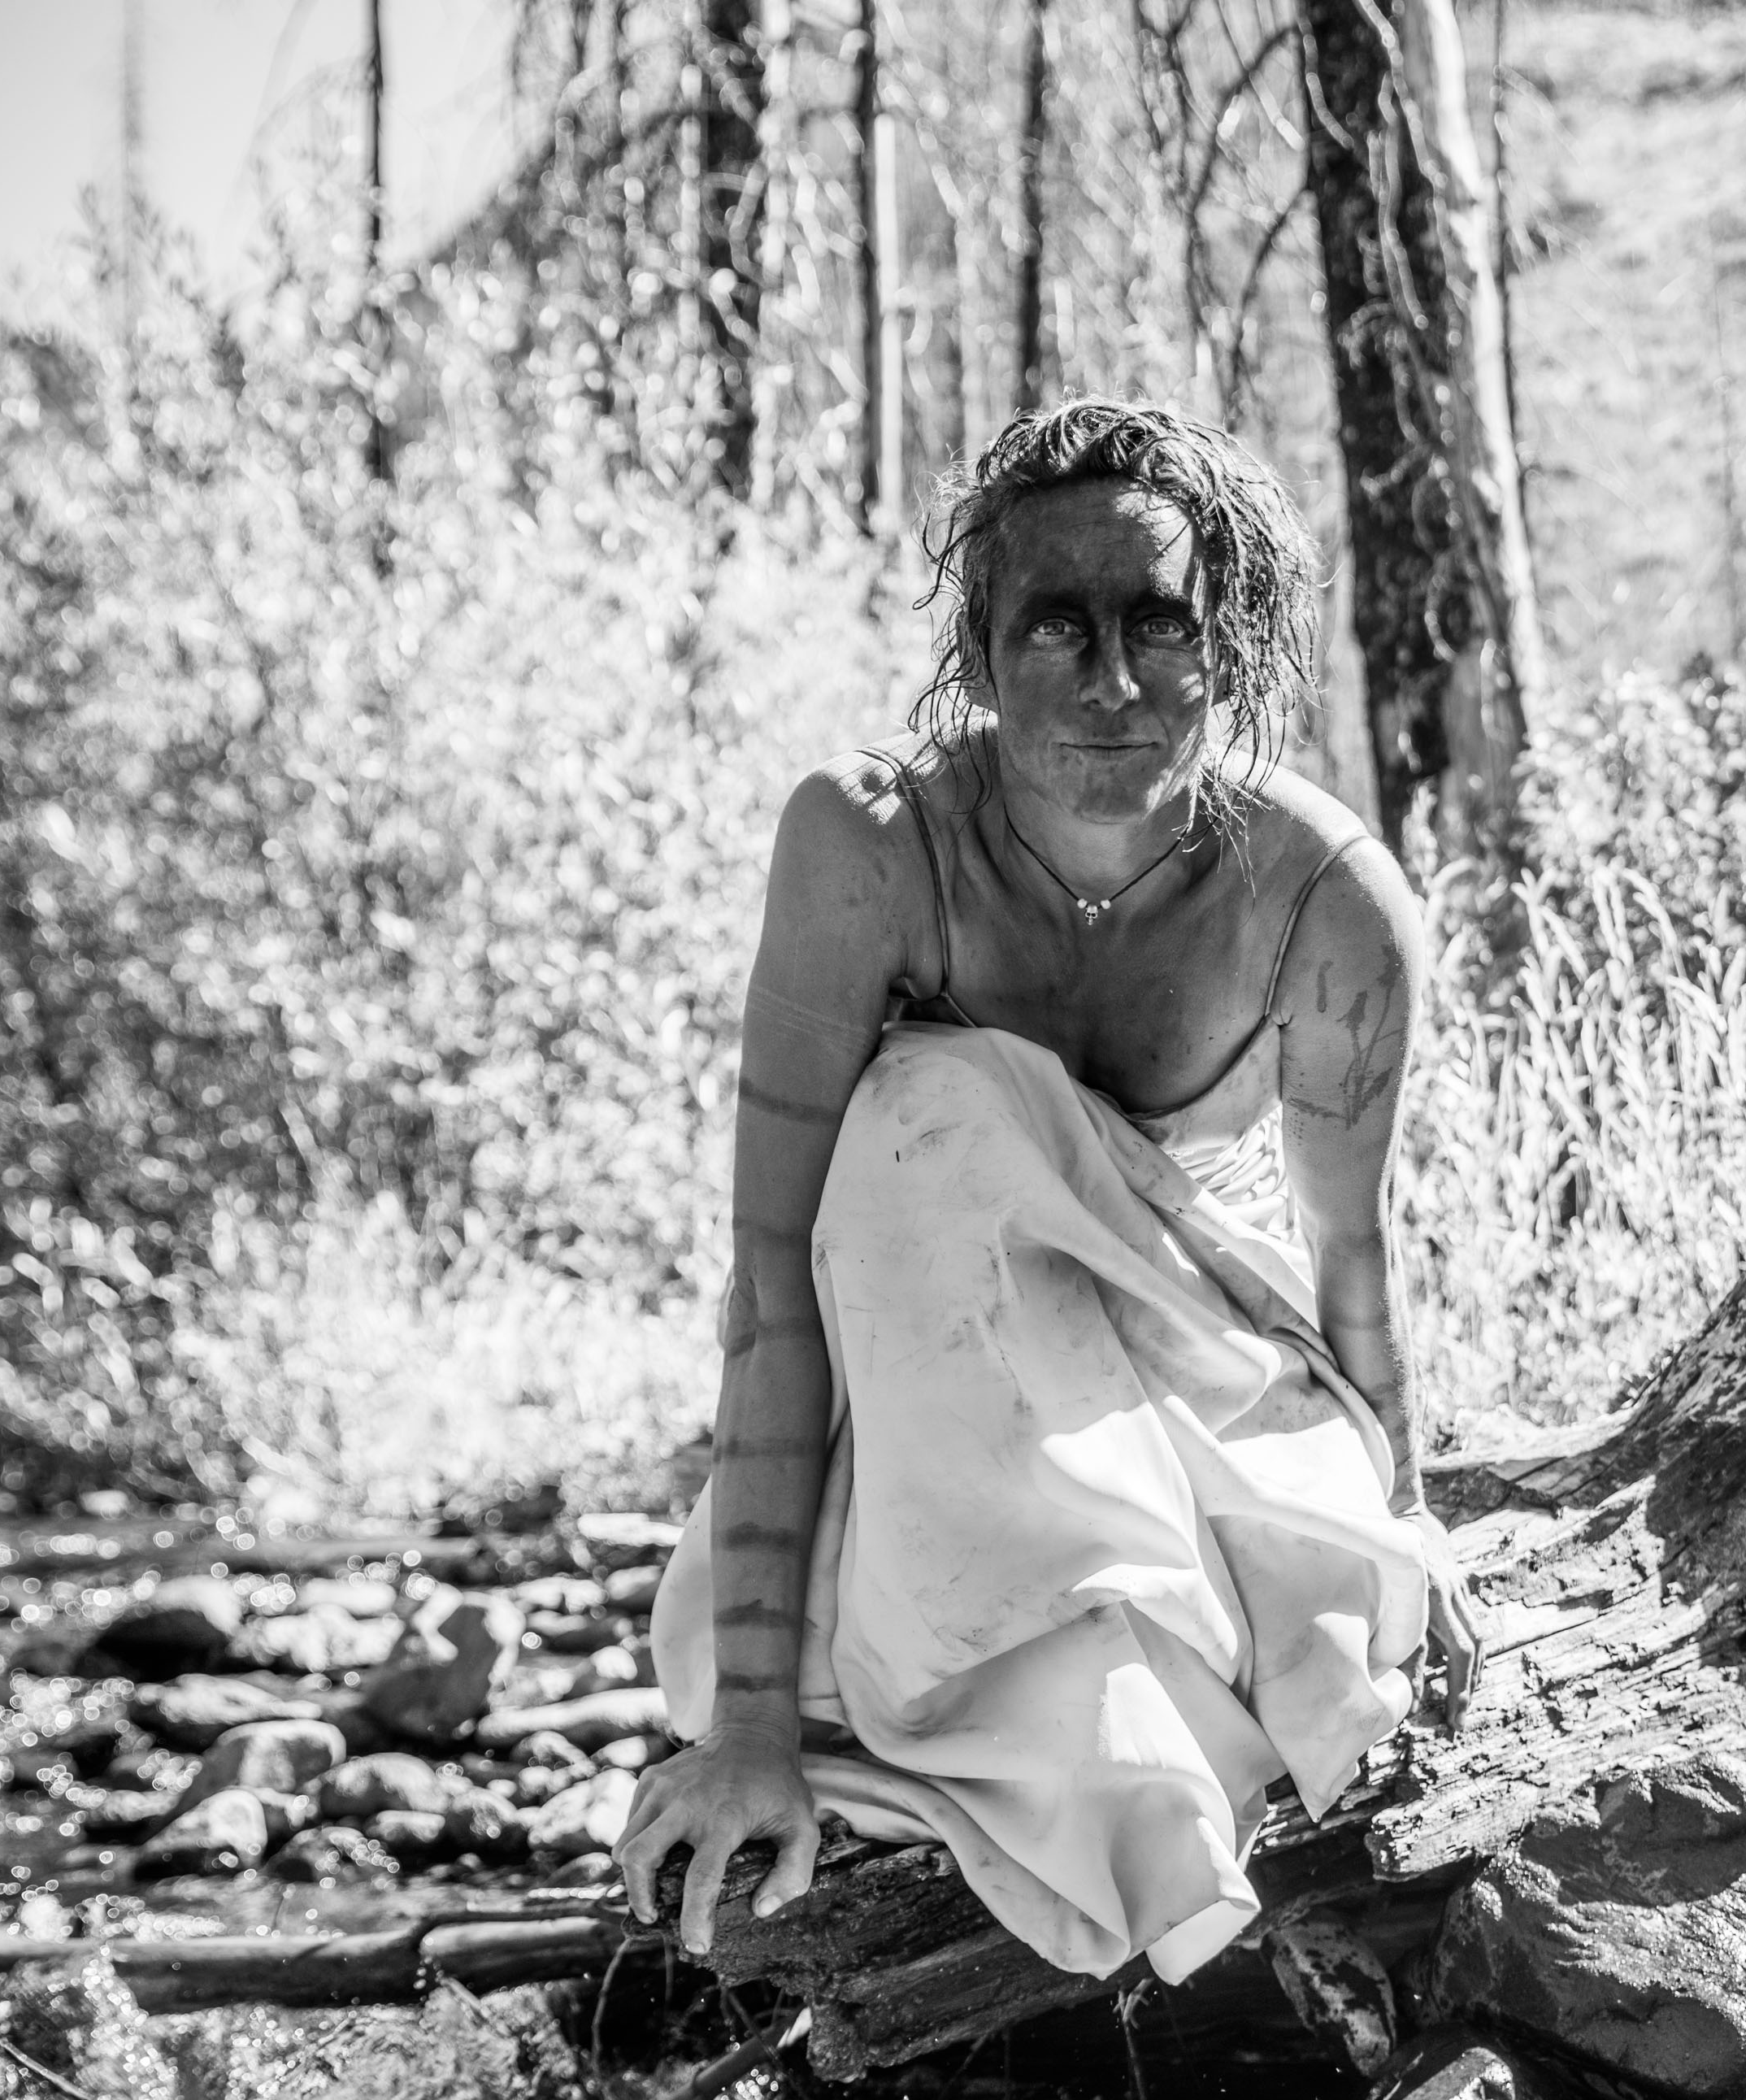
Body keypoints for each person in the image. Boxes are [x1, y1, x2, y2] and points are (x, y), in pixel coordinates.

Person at [618, 398, 1483, 1985]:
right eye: (1055, 626)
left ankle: (1155, 1764)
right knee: (928, 1107)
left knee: (1325, 1624)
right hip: (933, 1380)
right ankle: (1063, 1758)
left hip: (1196, 1356)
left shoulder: (1327, 897)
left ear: (1231, 647)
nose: (1110, 681)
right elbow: (773, 1273)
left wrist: (1408, 1520)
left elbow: (1347, 1252)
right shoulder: (870, 845)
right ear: (977, 650)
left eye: (1159, 622)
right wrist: (747, 1723)